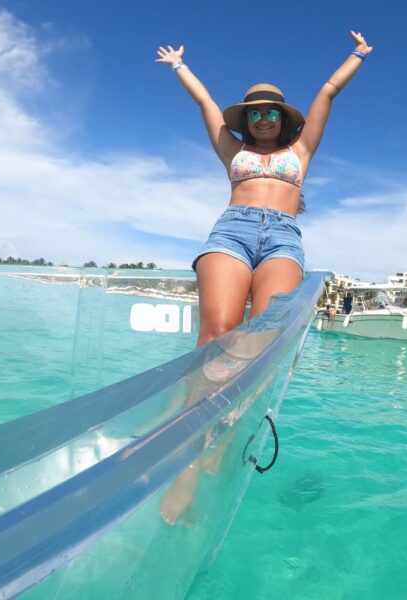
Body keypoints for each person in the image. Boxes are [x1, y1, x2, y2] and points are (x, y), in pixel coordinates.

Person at [156, 31, 373, 525]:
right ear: (246, 119)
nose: (262, 118)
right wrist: (178, 66)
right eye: (254, 112)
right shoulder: (233, 152)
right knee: (215, 335)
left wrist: (357, 55)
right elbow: (207, 102)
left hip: (283, 239)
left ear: (283, 117)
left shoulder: (302, 152)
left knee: (264, 337)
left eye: (271, 111)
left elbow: (327, 92)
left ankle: (224, 439)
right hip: (230, 233)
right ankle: (187, 457)